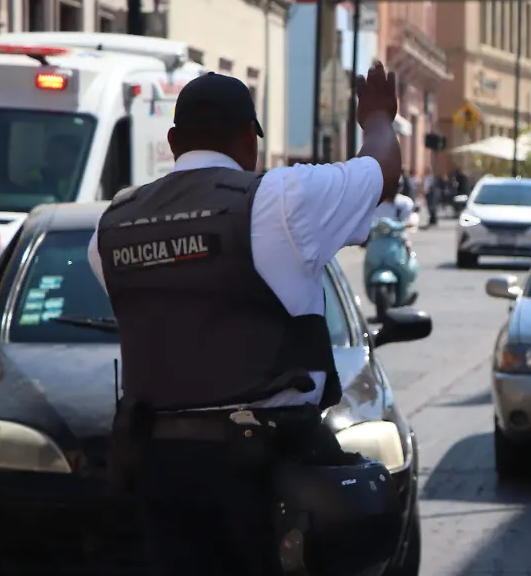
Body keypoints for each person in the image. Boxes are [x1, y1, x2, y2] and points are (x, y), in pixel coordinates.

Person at [86, 63, 402, 575]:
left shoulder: (114, 223)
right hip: (264, 470)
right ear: (248, 141)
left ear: (172, 141)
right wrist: (378, 119)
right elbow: (383, 171)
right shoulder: (278, 200)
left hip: (158, 467)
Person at [28, 134, 81, 198]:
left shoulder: (84, 180)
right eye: (49, 154)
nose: (52, 159)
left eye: (59, 155)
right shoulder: (38, 175)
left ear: (74, 156)